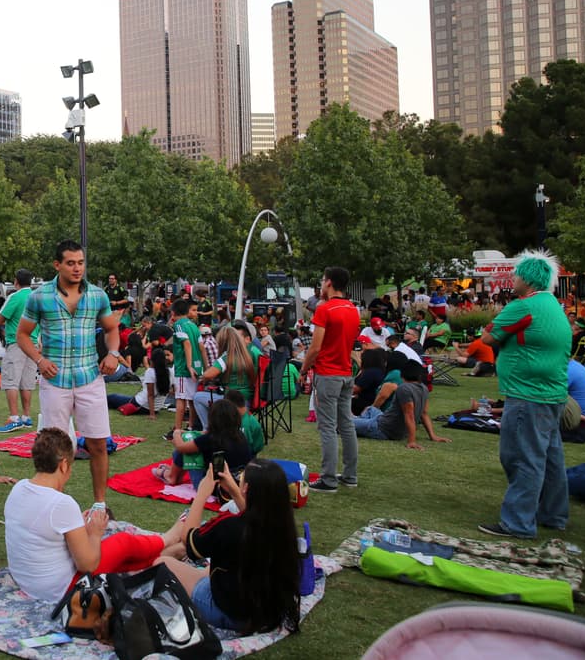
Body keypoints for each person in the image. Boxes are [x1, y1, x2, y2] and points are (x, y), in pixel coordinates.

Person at [3, 427, 182, 603]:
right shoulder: (61, 503)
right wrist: (95, 533)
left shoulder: (19, 488)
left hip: (27, 582)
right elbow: (88, 565)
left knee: (117, 557)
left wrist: (77, 525)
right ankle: (167, 539)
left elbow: (44, 528)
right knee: (122, 543)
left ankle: (164, 555)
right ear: (64, 465)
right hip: (59, 589)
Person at [17, 240, 121, 517]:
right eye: (71, 263)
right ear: (57, 265)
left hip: (90, 377)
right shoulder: (39, 296)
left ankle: (99, 504)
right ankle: (54, 501)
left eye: (81, 262)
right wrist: (39, 360)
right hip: (55, 380)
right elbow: (22, 334)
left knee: (98, 442)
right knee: (55, 446)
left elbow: (112, 329)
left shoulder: (98, 295)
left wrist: (113, 353)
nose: (77, 268)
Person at [477, 251, 572, 538]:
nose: (512, 278)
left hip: (527, 393)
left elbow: (488, 337)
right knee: (550, 457)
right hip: (552, 393)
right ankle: (553, 515)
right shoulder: (552, 305)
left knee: (521, 456)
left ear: (528, 279)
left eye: (516, 274)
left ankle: (518, 522)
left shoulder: (523, 306)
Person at [159, 459, 302, 635]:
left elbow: (190, 541)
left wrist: (202, 494)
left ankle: (166, 550)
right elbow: (253, 519)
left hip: (230, 613)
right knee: (213, 564)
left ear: (247, 488)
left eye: (241, 477)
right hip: (269, 612)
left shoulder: (230, 527)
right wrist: (234, 490)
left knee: (162, 562)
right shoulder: (283, 527)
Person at [301, 266, 360, 493]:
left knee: (327, 427)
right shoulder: (353, 309)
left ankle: (328, 479)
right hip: (346, 372)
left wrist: (304, 369)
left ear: (329, 283)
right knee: (346, 424)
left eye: (323, 280)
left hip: (328, 373)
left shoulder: (325, 309)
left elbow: (315, 347)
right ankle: (349, 475)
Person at [354, 361, 452, 449]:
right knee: (371, 409)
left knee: (344, 422)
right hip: (384, 420)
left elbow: (409, 414)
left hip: (383, 429)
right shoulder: (424, 388)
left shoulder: (404, 388)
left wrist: (412, 441)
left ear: (402, 374)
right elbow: (424, 413)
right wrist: (432, 435)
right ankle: (360, 421)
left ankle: (359, 422)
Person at [162, 399, 255, 488]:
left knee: (187, 445)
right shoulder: (240, 435)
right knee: (191, 443)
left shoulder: (211, 438)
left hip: (211, 486)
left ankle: (171, 476)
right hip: (238, 480)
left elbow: (181, 447)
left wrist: (177, 432)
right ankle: (172, 473)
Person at [192, 326, 260, 428]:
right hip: (247, 398)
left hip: (231, 399)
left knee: (197, 397)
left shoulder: (227, 357)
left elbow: (208, 375)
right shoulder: (249, 352)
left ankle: (209, 429)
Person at [107, 335, 171, 417]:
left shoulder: (150, 372)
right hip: (156, 407)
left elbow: (150, 395)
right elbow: (171, 390)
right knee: (116, 400)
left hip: (140, 405)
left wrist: (152, 414)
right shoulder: (170, 372)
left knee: (112, 397)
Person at [170, 298, 204, 431]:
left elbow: (187, 344)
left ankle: (177, 430)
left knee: (181, 399)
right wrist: (205, 367)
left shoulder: (179, 325)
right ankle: (191, 426)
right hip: (197, 367)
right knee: (191, 399)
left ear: (173, 312)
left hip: (184, 368)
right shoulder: (194, 326)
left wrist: (188, 366)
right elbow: (201, 347)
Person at [563, 359, 585, 431]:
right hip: (579, 415)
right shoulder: (574, 365)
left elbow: (549, 394)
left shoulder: (567, 369)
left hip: (574, 417)